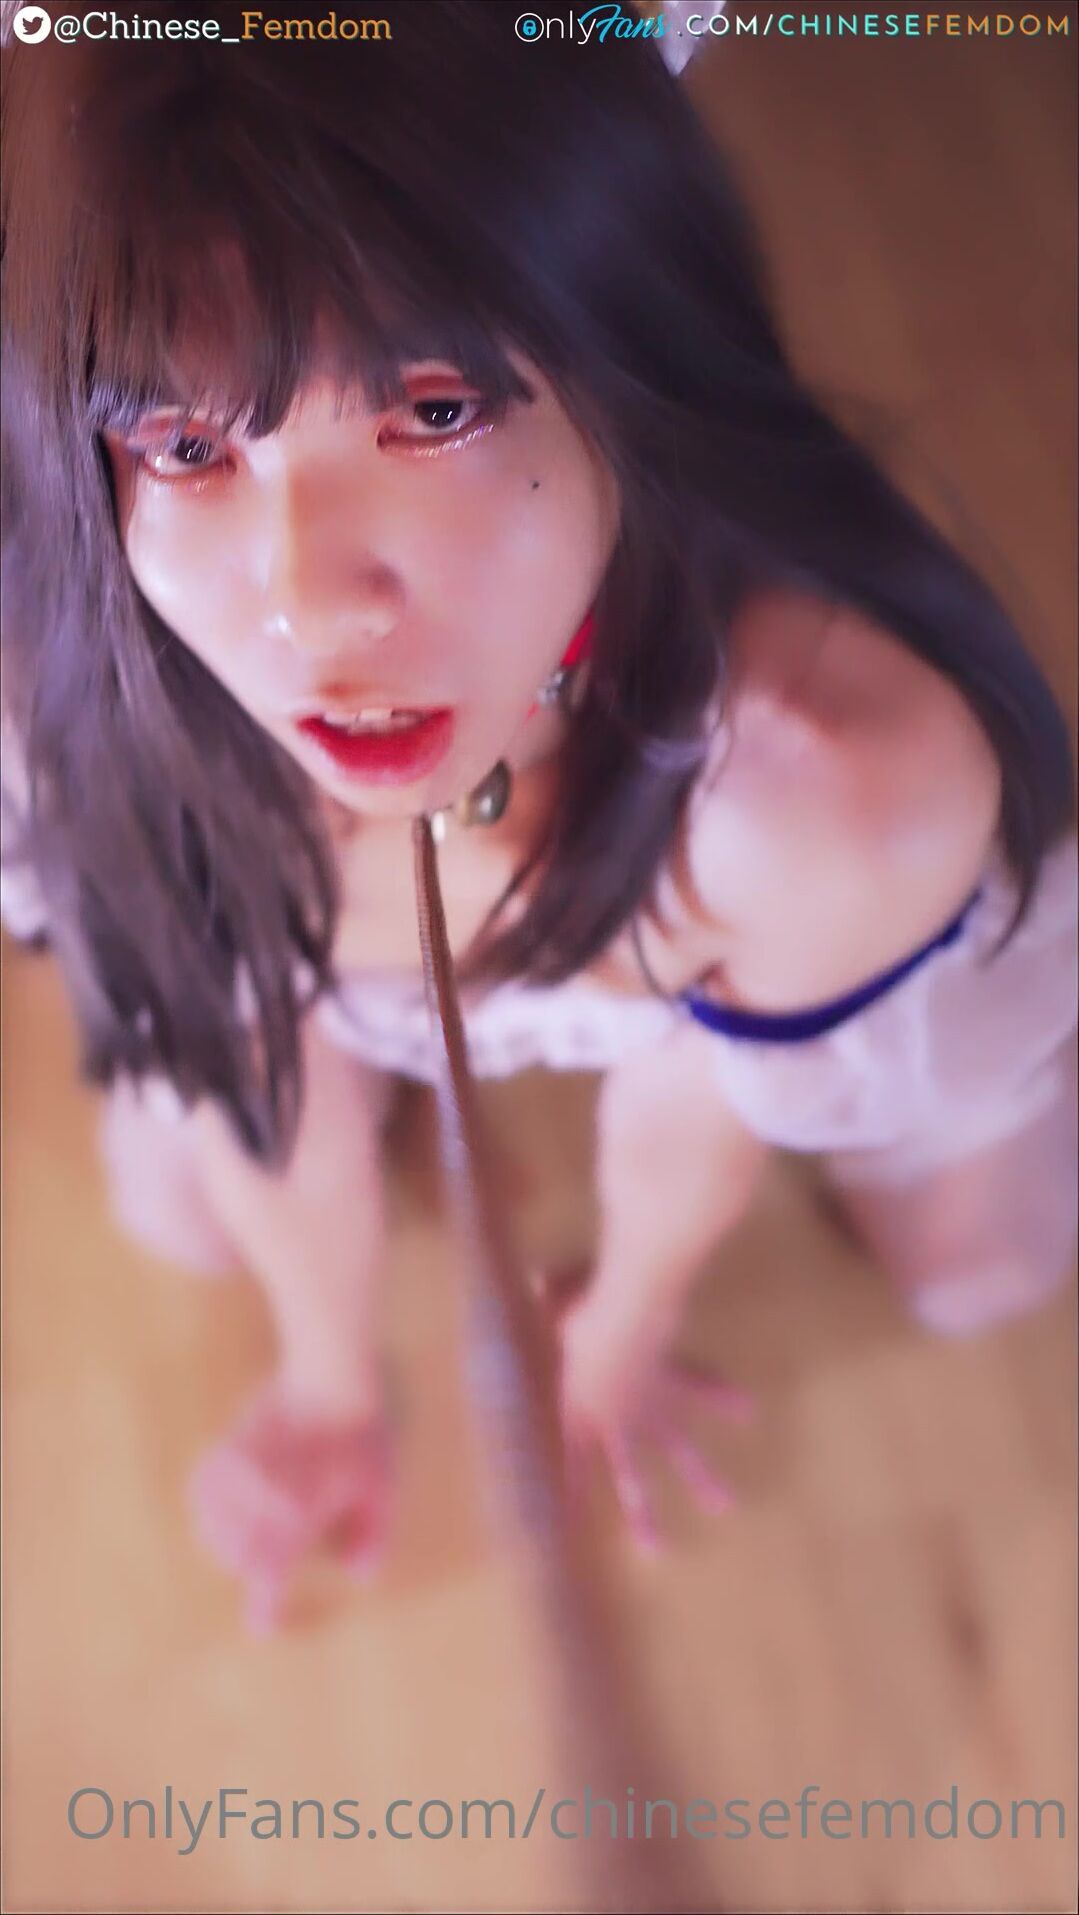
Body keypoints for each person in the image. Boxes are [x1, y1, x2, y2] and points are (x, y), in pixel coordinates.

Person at [2, 2, 1075, 1634]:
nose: (308, 607)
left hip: (746, 928)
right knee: (183, 1207)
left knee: (982, 1266)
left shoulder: (823, 783)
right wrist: (327, 1383)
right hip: (350, 973)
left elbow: (695, 1108)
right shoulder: (85, 693)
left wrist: (623, 1324)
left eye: (434, 410)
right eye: (189, 442)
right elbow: (257, 1075)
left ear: (627, 370)